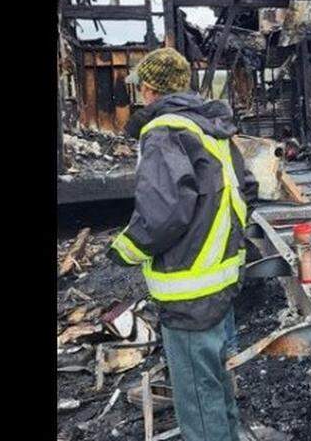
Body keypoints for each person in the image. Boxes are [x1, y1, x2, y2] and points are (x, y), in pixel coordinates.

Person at [108, 47, 256, 441]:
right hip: (222, 278)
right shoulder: (211, 126)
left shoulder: (165, 131)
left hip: (189, 288)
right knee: (217, 378)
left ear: (150, 89)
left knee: (196, 392)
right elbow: (248, 189)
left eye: (141, 86)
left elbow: (162, 214)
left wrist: (123, 250)